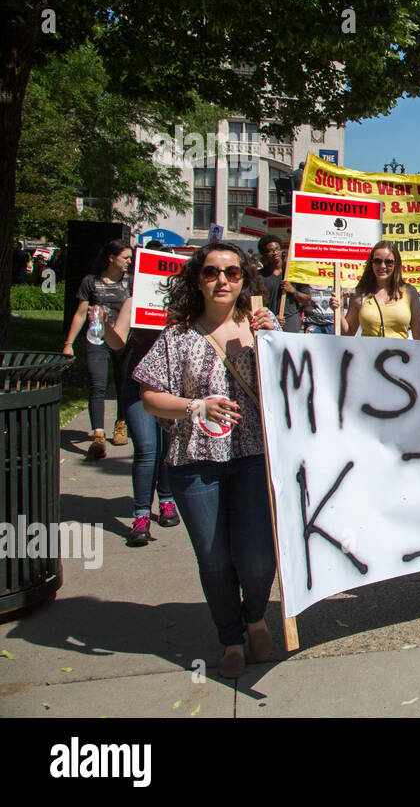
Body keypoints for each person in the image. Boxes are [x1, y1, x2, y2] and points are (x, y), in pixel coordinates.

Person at [134, 242, 280, 679]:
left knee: (257, 558)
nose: (223, 280)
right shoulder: (177, 337)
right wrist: (194, 407)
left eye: (232, 273)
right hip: (194, 462)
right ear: (197, 280)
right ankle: (230, 637)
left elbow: (298, 384)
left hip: (254, 457)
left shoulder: (261, 332)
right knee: (215, 559)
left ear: (244, 280)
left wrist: (277, 341)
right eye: (213, 272)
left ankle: (255, 615)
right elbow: (148, 396)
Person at [104, 297, 178, 546]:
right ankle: (141, 516)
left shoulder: (185, 302)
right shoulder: (133, 302)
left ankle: (167, 501)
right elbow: (117, 342)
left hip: (173, 389)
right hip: (138, 385)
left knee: (168, 449)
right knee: (147, 449)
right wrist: (105, 326)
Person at [63, 239, 134, 457]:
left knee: (124, 385)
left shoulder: (131, 282)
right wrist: (68, 344)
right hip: (97, 339)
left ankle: (121, 424)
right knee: (97, 384)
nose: (129, 262)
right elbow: (80, 313)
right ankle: (98, 434)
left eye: (130, 258)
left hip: (124, 340)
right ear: (111, 258)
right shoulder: (90, 282)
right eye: (125, 258)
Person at [339, 241, 420, 339]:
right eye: (377, 261)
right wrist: (339, 311)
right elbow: (347, 334)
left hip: (400, 353)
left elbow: (419, 335)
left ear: (396, 264)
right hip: (369, 353)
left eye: (388, 262)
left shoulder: (409, 292)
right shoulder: (360, 294)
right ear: (371, 263)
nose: (382, 266)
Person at [256, 235, 287, 320]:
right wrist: (272, 319)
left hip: (289, 323)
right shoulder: (258, 276)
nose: (275, 253)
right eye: (271, 250)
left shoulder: (289, 274)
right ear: (264, 254)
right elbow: (256, 303)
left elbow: (306, 299)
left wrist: (293, 290)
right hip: (267, 321)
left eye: (277, 249)